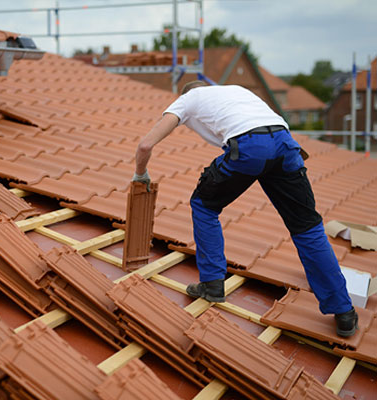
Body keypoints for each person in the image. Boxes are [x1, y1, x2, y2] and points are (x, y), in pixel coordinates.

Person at [133, 81, 358, 337]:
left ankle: (212, 284)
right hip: (286, 144)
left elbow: (145, 145)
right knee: (308, 228)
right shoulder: (236, 92)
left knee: (204, 205)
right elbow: (268, 128)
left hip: (251, 147)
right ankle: (344, 313)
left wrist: (140, 175)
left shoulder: (188, 99)